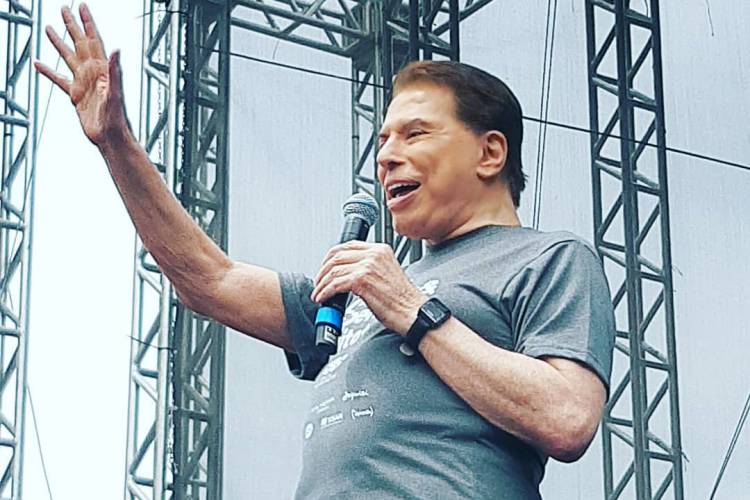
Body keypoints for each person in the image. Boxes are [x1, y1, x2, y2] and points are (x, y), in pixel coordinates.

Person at [36, 4, 616, 499]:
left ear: (490, 153)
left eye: (415, 133)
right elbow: (209, 280)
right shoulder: (359, 293)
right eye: (382, 140)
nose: (386, 155)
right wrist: (117, 144)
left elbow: (566, 417)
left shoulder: (548, 259)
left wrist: (413, 311)